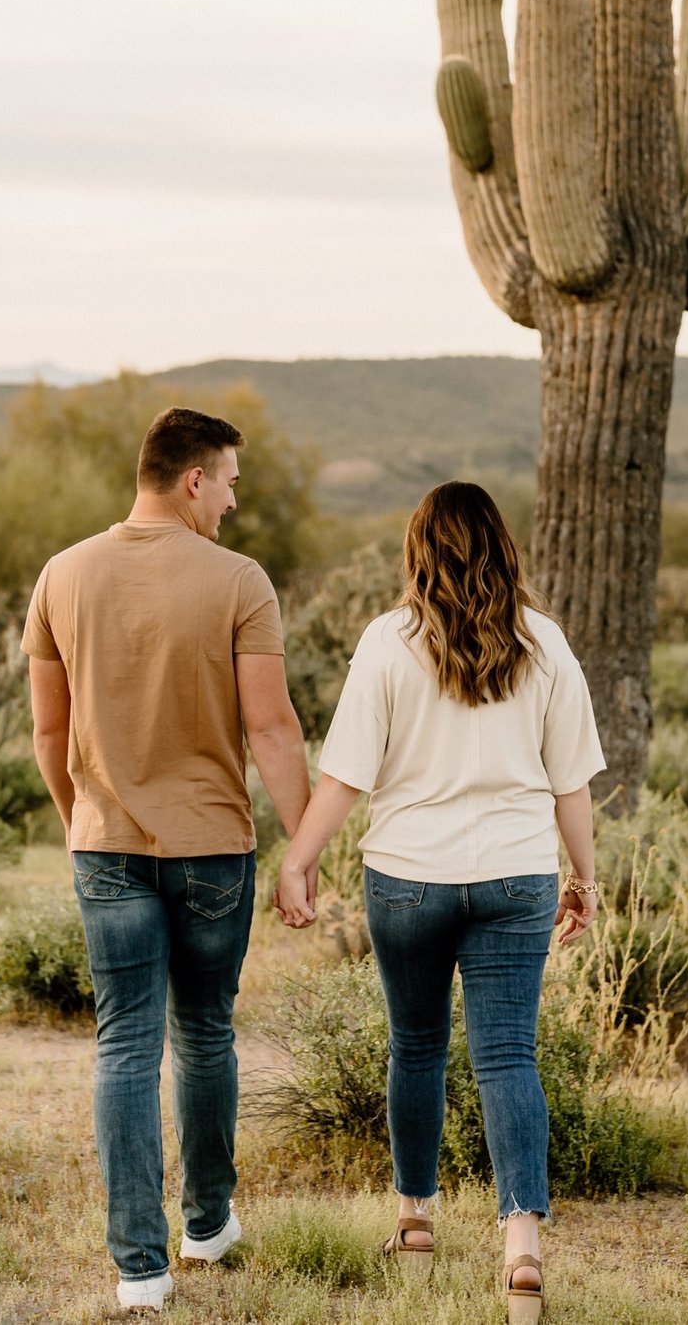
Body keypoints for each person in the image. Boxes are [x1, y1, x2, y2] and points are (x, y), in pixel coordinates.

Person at [275, 481, 602, 1325]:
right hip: (515, 877)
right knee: (507, 1058)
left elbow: (345, 774)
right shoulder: (546, 644)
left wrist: (299, 860)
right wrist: (584, 878)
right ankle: (521, 1247)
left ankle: (415, 1226)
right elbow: (572, 786)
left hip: (408, 877)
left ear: (419, 551)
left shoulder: (387, 643)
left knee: (415, 1048)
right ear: (503, 546)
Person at [23, 406, 312, 1315]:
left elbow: (48, 730)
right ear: (193, 478)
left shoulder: (62, 575)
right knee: (206, 1033)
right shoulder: (239, 581)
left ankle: (139, 1271)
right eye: (228, 481)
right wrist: (304, 846)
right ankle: (207, 1222)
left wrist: (84, 819)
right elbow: (270, 726)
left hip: (105, 842)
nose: (232, 500)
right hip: (213, 848)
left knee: (124, 1044)